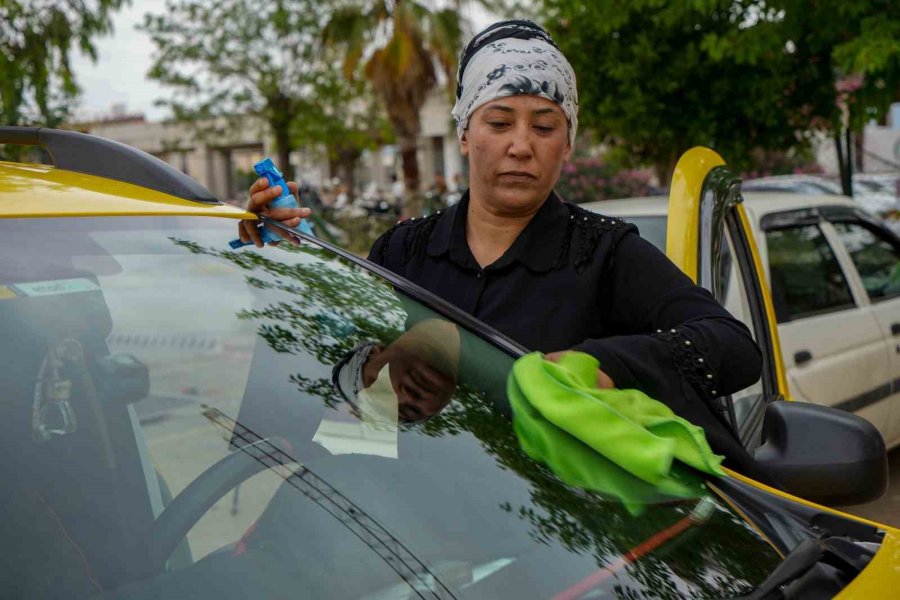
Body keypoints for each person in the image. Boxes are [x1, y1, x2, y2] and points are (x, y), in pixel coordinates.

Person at [236, 20, 764, 476]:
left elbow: (733, 346)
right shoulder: (403, 251)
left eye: (544, 126)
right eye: (499, 121)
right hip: (402, 528)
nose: (520, 145)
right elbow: (337, 372)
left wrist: (602, 363)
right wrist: (285, 261)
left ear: (568, 142)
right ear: (465, 134)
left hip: (563, 547)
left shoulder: (604, 254)